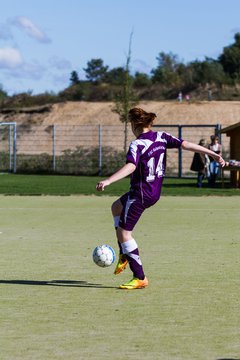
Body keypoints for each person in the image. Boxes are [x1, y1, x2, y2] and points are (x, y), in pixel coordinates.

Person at [96, 108, 225, 290]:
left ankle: (139, 277)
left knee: (125, 234)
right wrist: (212, 153)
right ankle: (124, 254)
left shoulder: (137, 144)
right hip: (154, 192)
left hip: (140, 194)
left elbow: (131, 166)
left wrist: (108, 180)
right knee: (116, 207)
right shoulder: (161, 137)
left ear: (134, 125)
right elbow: (186, 144)